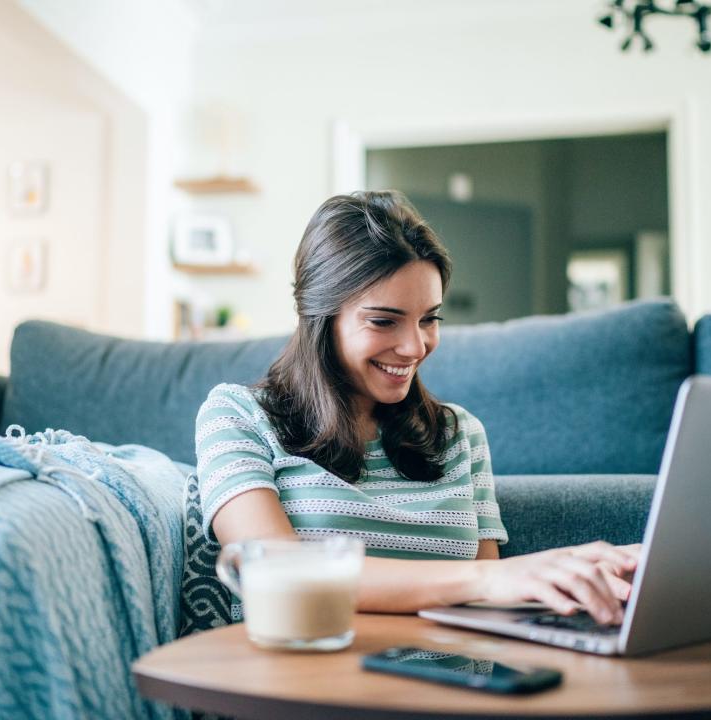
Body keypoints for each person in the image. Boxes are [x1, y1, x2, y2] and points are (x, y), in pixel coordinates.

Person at [195, 190, 638, 625]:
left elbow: (489, 606)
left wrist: (575, 576)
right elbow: (273, 572)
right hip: (306, 683)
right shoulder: (237, 416)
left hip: (456, 689)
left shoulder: (459, 434)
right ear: (319, 317)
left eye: (429, 318)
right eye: (384, 321)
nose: (414, 346)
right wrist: (488, 577)